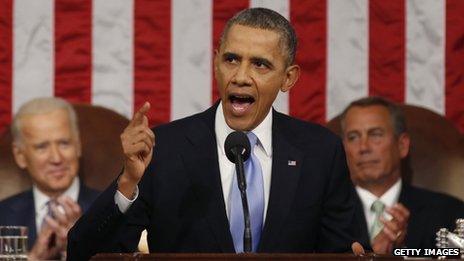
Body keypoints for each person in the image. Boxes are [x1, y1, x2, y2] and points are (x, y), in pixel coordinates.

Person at [68, 8, 355, 260]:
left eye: (260, 64)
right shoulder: (164, 150)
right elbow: (85, 254)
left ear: (288, 78)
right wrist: (127, 183)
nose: (241, 76)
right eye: (231, 59)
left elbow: (343, 254)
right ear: (216, 62)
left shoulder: (320, 153)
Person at [340, 96, 464, 253]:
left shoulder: (450, 213)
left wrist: (401, 251)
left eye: (375, 134)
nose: (363, 147)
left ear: (402, 145)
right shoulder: (323, 217)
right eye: (353, 137)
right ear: (343, 148)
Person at [0, 97, 99, 260]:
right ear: (20, 156)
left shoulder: (111, 211)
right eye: (42, 147)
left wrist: (83, 246)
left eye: (64, 143)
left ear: (78, 145)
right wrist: (34, 258)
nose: (56, 158)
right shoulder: (2, 216)